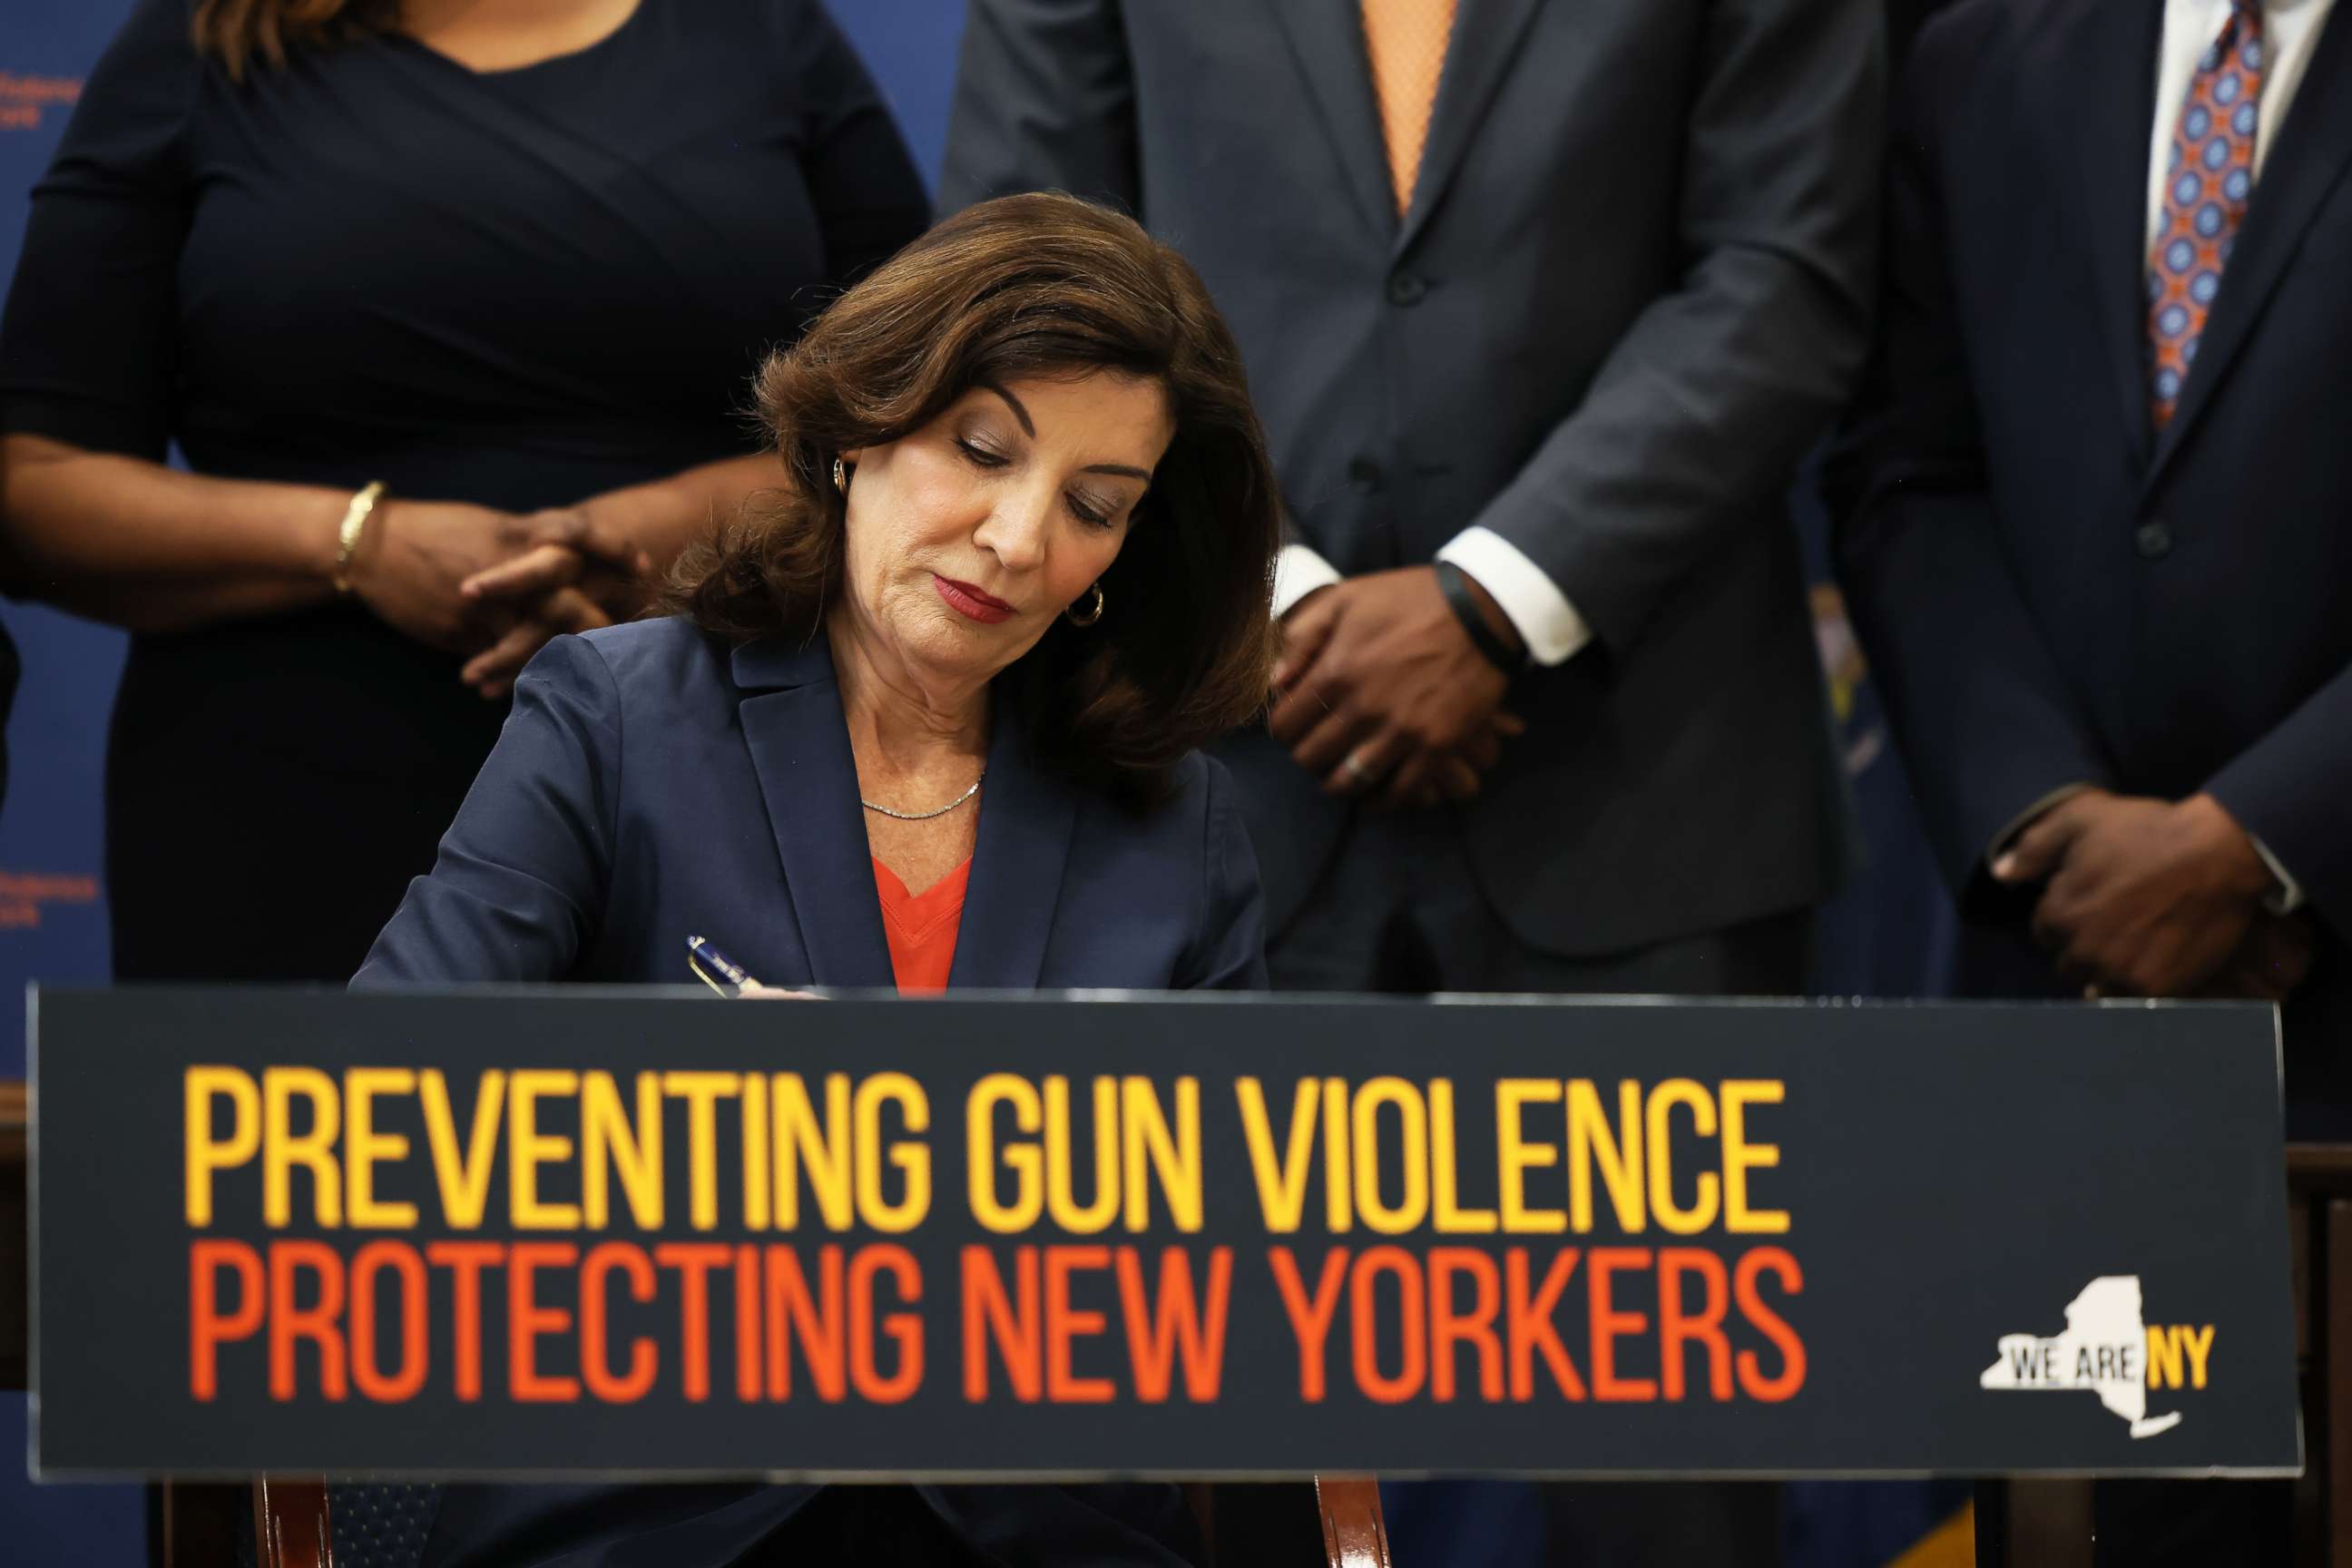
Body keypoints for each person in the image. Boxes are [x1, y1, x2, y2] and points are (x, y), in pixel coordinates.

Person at [942, 2, 1882, 1562]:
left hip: (1642, 783)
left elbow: (1780, 273)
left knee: (1671, 1501)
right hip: (1210, 771)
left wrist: (1499, 599)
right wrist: (1275, 593)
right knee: (1204, 1465)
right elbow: (1026, 258)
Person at [355, 191, 1281, 1565]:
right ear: (860, 427)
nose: (1021, 542)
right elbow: (370, 1099)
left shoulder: (1174, 817)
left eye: (1096, 506)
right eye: (981, 449)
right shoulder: (618, 718)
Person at [0, 0, 930, 985]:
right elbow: (39, 488)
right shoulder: (207, 41)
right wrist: (359, 543)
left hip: (702, 778)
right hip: (278, 805)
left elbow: (915, 421)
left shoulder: (765, 35)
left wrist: (647, 547)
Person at [1831, 0, 2352, 1557]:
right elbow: (1911, 473)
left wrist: (2258, 839)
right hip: (2068, 986)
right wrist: (2050, 819)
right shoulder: (1979, 51)